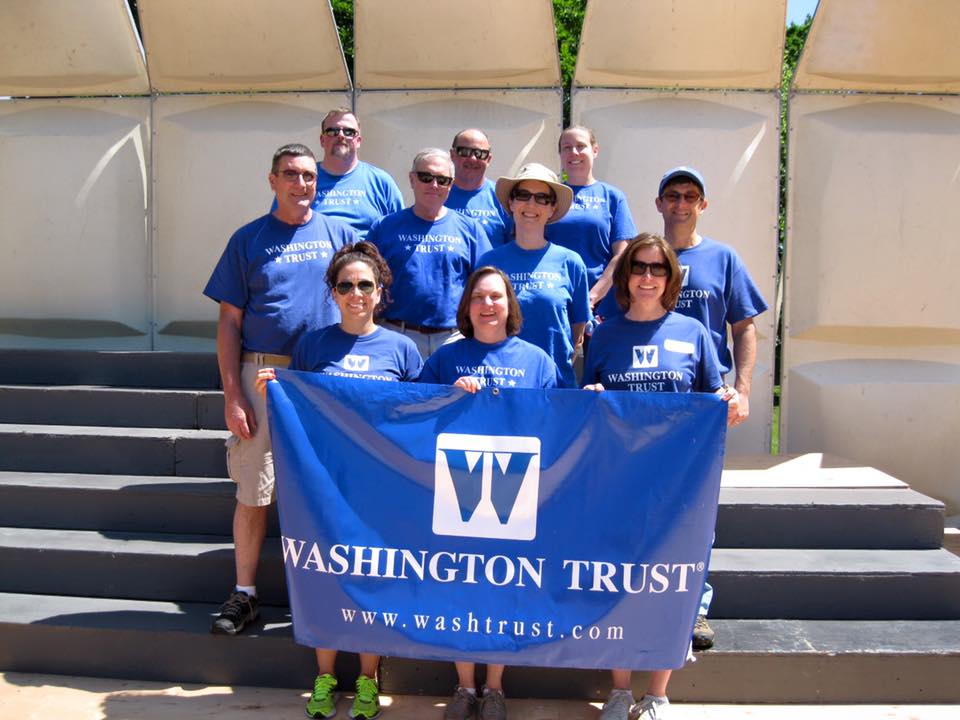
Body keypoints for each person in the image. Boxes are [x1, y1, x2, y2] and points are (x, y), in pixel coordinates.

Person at [257, 242, 421, 719]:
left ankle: (369, 680)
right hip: (326, 487)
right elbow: (299, 410)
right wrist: (276, 386)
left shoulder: (402, 349)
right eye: (346, 285)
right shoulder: (313, 344)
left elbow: (419, 416)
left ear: (380, 292)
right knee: (326, 577)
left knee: (371, 577)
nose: (356, 293)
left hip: (380, 488)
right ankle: (325, 677)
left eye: (365, 285)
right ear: (333, 292)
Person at [202, 144, 356, 636]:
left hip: (325, 376)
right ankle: (245, 594)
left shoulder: (340, 234)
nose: (301, 183)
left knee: (327, 488)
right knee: (254, 488)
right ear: (272, 180)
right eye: (290, 174)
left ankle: (330, 593)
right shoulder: (248, 239)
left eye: (309, 176)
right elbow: (229, 323)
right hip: (262, 376)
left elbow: (366, 292)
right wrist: (232, 393)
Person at [583, 233, 738, 720]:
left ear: (671, 278)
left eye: (657, 269)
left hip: (677, 482)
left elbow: (716, 395)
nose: (647, 277)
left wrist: (728, 401)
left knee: (669, 580)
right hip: (619, 477)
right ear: (625, 276)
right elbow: (588, 401)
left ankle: (658, 694)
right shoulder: (604, 334)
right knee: (619, 579)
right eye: (638, 268)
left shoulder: (693, 332)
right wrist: (591, 394)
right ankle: (621, 689)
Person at [419, 267, 560, 720]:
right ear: (467, 307)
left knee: (504, 586)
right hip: (456, 487)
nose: (487, 305)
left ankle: (495, 687)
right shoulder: (446, 358)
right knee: (459, 583)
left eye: (496, 297)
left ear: (510, 305)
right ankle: (463, 687)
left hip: (516, 490)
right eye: (478, 297)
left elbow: (563, 418)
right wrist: (447, 395)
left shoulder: (537, 360)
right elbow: (412, 410)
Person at [655, 166, 769, 649]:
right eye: (673, 195)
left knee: (694, 510)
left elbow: (744, 327)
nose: (681, 203)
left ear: (704, 205)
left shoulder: (723, 258)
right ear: (658, 203)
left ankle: (694, 608)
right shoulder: (645, 257)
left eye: (691, 196)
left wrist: (741, 388)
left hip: (700, 402)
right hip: (645, 403)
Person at [368, 148, 492, 358]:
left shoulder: (470, 230)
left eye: (442, 180)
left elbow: (487, 282)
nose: (434, 185)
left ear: (450, 185)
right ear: (412, 179)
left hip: (454, 338)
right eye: (426, 177)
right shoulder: (384, 227)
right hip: (397, 335)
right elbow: (366, 281)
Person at [478, 163, 591, 388]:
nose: (531, 204)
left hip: (555, 387)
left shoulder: (571, 263)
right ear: (511, 202)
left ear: (552, 209)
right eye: (523, 195)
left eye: (542, 198)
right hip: (500, 387)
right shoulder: (489, 262)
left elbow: (577, 332)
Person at [545, 126, 638, 319]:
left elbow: (622, 254)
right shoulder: (550, 196)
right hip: (555, 298)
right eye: (567, 147)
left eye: (581, 146)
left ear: (595, 151)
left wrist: (593, 296)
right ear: (560, 154)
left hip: (602, 306)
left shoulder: (613, 197)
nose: (574, 152)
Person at [271, 107, 403, 238]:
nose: (340, 136)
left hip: (366, 256)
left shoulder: (381, 181)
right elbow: (277, 226)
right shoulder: (301, 180)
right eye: (333, 131)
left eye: (349, 132)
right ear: (322, 140)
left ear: (358, 141)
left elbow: (400, 230)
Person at [445, 128, 511, 248]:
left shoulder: (502, 196)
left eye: (480, 154)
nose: (472, 159)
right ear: (452, 155)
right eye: (464, 151)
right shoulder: (437, 193)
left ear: (488, 159)